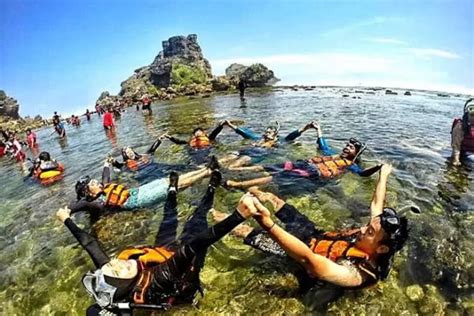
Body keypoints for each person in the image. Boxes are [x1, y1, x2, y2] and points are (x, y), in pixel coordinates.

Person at [55, 172, 258, 315]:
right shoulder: (160, 279)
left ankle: (172, 188)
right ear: (128, 284)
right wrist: (238, 215)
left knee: (168, 217)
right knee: (197, 219)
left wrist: (66, 219)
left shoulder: (111, 274)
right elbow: (194, 245)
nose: (115, 262)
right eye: (118, 271)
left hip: (160, 253)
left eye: (110, 265)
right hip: (183, 263)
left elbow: (89, 243)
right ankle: (211, 188)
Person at [213, 164, 409, 310]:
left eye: (370, 232)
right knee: (276, 200)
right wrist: (383, 175)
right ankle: (239, 188)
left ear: (381, 248)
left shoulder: (356, 275)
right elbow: (376, 205)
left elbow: (309, 259)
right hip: (316, 235)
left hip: (299, 253)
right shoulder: (380, 235)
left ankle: (214, 215)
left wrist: (266, 222)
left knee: (246, 232)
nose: (364, 228)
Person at [225, 121, 382, 189]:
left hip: (311, 172)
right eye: (347, 145)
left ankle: (237, 185)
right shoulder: (331, 154)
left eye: (351, 148)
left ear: (356, 154)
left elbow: (363, 175)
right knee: (270, 166)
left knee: (277, 176)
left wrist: (378, 167)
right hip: (304, 163)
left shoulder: (352, 165)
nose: (347, 148)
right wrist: (317, 128)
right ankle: (235, 171)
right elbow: (322, 143)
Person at [69, 156, 220, 217]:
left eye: (94, 181)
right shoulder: (93, 203)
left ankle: (206, 170)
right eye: (92, 184)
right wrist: (66, 212)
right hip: (138, 200)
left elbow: (105, 176)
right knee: (176, 186)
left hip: (137, 191)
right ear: (88, 192)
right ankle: (208, 171)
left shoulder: (103, 187)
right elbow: (78, 205)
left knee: (169, 180)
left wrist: (106, 164)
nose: (97, 182)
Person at [451, 98, 474, 166]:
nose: (473, 118)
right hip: (461, 151)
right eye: (472, 115)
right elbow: (456, 146)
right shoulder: (460, 126)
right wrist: (456, 160)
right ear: (466, 115)